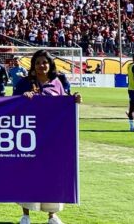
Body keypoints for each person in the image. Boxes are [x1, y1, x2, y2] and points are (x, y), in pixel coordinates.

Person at [13, 50, 81, 224]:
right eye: (37, 63)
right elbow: (12, 106)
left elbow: (64, 104)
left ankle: (52, 215)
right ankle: (26, 214)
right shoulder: (24, 83)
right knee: (28, 175)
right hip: (29, 138)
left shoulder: (57, 83)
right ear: (33, 66)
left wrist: (74, 100)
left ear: (50, 65)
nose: (41, 65)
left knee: (52, 175)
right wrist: (23, 98)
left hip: (52, 139)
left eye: (44, 62)